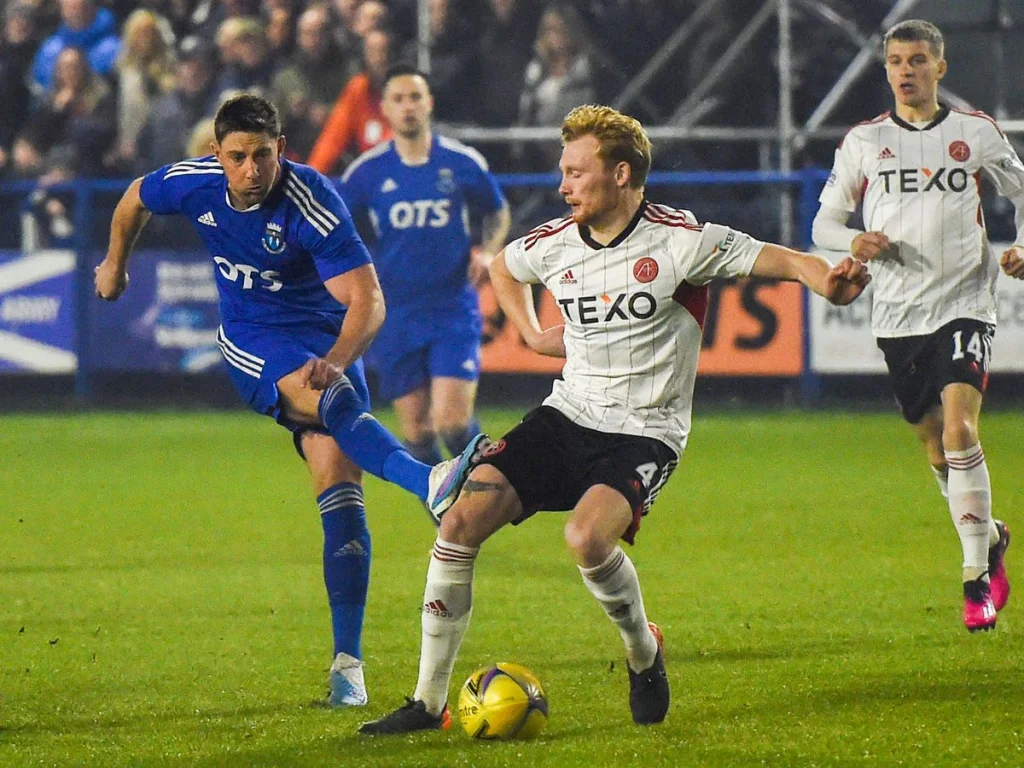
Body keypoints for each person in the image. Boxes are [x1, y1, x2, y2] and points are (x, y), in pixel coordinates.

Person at [358, 104, 871, 735]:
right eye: (563, 171)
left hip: (645, 429)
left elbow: (788, 260)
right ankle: (427, 702)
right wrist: (529, 331)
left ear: (621, 174)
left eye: (576, 172)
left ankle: (642, 650)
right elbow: (502, 267)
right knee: (459, 520)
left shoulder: (682, 241)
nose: (563, 185)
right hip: (567, 412)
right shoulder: (555, 243)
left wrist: (830, 280)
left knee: (586, 538)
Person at [94, 94, 488, 708]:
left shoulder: (312, 200)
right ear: (216, 156)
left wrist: (339, 358)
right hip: (253, 340)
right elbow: (132, 200)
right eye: (237, 157)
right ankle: (428, 483)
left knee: (340, 480)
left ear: (283, 151)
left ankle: (347, 668)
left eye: (263, 156)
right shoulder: (192, 184)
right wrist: (114, 263)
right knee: (326, 402)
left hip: (322, 340)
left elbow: (369, 301)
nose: (251, 170)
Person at [812, 19, 1024, 633]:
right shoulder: (864, 142)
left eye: (919, 60)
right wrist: (855, 237)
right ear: (886, 70)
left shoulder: (973, 133)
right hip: (898, 314)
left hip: (964, 302)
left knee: (960, 431)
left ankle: (973, 580)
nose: (907, 70)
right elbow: (824, 224)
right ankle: (990, 537)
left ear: (941, 67)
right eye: (897, 61)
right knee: (934, 444)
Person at [340, 65, 510, 469]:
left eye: (415, 97)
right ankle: (448, 522)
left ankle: (497, 491)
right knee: (417, 432)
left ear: (429, 103)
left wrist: (488, 251)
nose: (408, 107)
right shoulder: (366, 173)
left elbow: (498, 211)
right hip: (396, 314)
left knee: (452, 422)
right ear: (385, 109)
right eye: (398, 99)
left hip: (452, 307)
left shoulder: (461, 162)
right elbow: (340, 231)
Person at [306, 27, 392, 174]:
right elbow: (332, 138)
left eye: (384, 51)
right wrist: (310, 179)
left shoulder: (405, 89)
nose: (379, 58)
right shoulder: (357, 89)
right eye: (372, 51)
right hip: (369, 174)